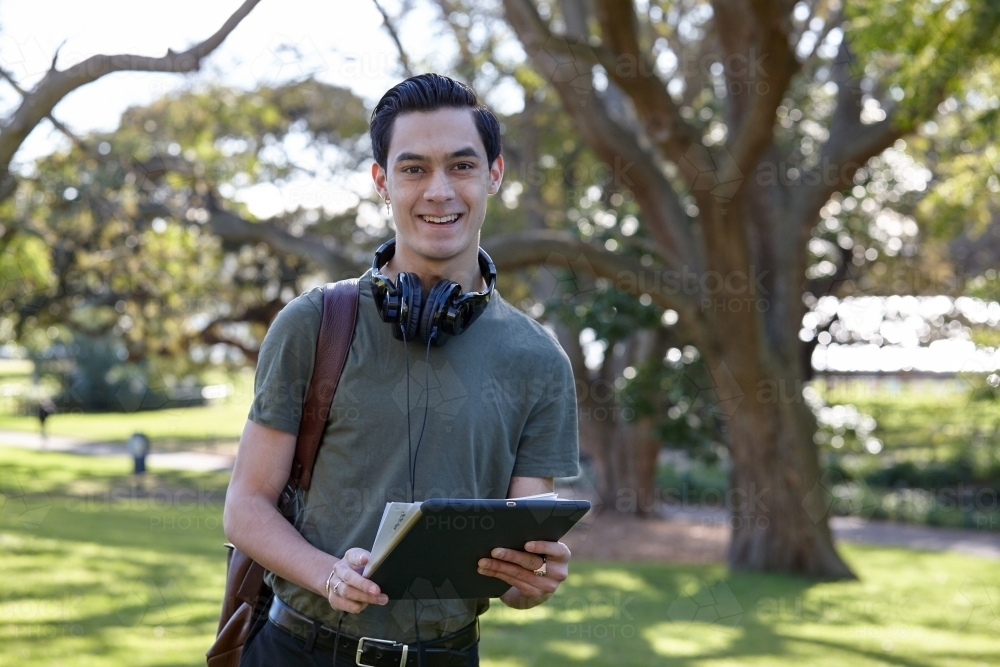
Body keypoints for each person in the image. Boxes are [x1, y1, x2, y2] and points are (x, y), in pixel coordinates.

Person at [224, 73, 580, 667]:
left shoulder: (538, 360)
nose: (439, 191)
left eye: (461, 166)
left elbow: (521, 554)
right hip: (297, 650)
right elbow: (246, 505)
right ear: (382, 182)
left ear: (493, 174)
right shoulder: (312, 324)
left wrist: (532, 578)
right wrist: (329, 575)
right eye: (414, 169)